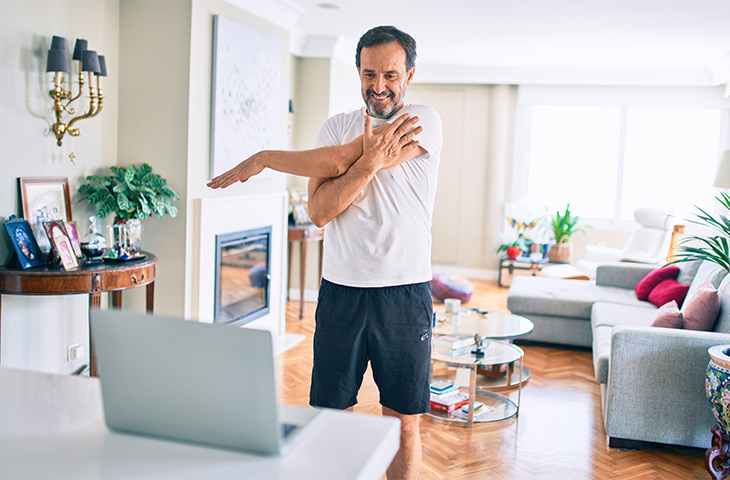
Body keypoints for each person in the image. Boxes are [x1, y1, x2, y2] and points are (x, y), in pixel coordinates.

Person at [208, 25, 442, 480]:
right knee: (330, 421)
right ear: (357, 71)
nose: (379, 86)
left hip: (404, 294)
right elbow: (319, 211)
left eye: (391, 75)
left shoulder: (422, 120)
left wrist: (265, 158)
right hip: (341, 294)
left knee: (403, 425)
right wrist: (371, 161)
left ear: (409, 73)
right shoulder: (334, 127)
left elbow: (337, 164)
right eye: (369, 73)